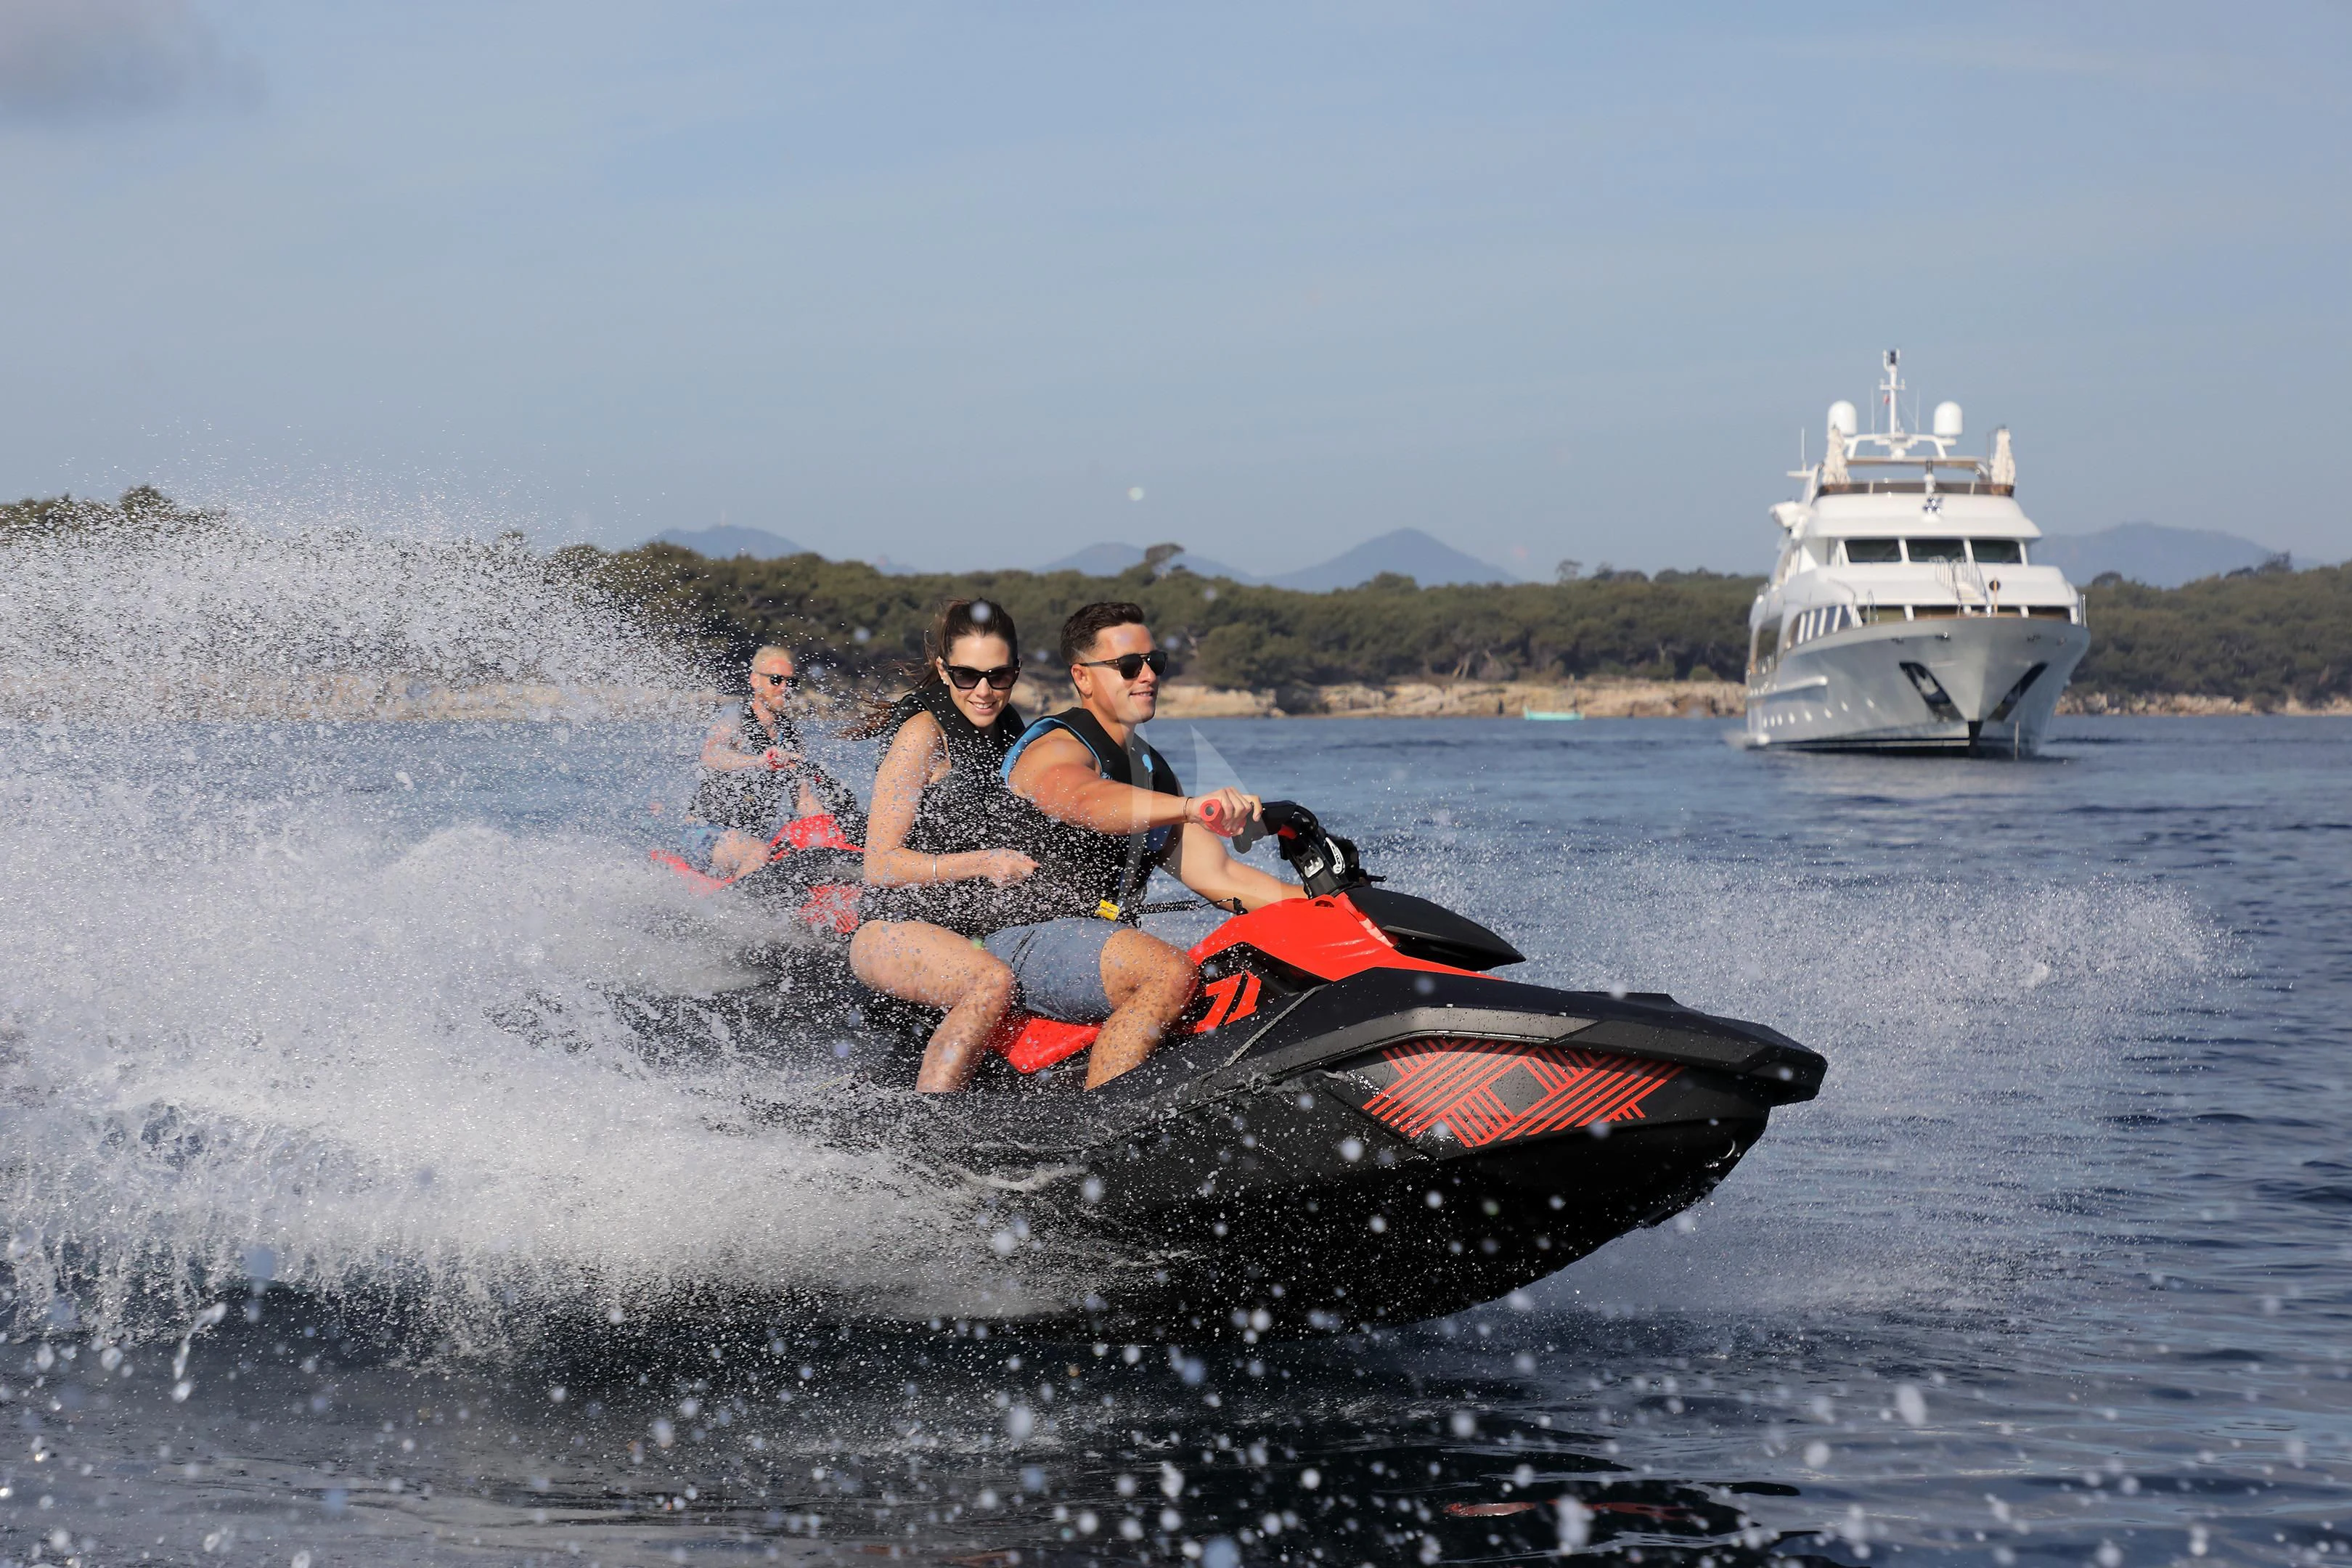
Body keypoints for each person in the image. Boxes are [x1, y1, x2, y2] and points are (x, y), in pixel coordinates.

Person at [994, 600, 1304, 1089]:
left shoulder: (1149, 767)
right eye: (1128, 666)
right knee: (1168, 974)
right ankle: (1106, 1127)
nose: (1147, 676)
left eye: (1154, 663)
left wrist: (1331, 908)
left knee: (1238, 966)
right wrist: (1187, 807)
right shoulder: (1057, 745)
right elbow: (1083, 800)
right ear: (1084, 677)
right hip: (1020, 938)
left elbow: (1220, 878)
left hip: (1094, 945)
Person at [847, 600, 1045, 1091]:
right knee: (990, 982)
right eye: (966, 675)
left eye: (998, 676)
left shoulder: (1013, 733)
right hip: (891, 930)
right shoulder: (922, 736)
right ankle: (934, 1124)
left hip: (970, 933)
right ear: (944, 669)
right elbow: (881, 865)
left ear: (1016, 672)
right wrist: (983, 862)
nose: (983, 690)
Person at [679, 645, 859, 881]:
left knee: (806, 847)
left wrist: (834, 832)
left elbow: (803, 800)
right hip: (705, 832)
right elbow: (712, 755)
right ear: (755, 681)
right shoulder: (734, 719)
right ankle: (738, 912)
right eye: (776, 680)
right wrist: (758, 760)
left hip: (751, 837)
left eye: (790, 683)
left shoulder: (791, 735)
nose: (784, 688)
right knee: (758, 852)